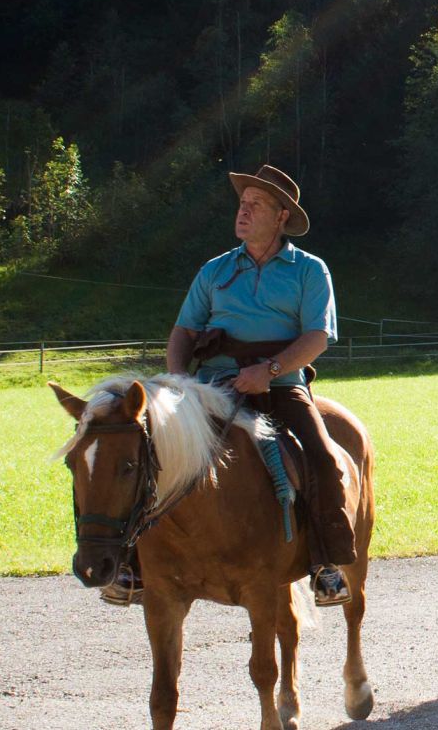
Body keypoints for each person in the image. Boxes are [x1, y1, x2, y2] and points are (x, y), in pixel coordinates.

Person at [103, 164, 353, 608]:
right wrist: (179, 380)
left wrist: (270, 370)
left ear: (280, 217)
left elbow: (317, 337)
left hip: (281, 385)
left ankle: (326, 564)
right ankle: (130, 566)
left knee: (322, 456)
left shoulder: (310, 271)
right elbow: (183, 331)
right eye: (242, 203)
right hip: (209, 386)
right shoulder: (215, 270)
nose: (243, 211)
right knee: (148, 452)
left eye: (255, 204)